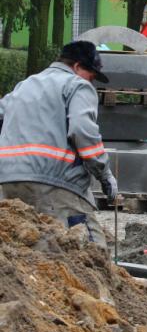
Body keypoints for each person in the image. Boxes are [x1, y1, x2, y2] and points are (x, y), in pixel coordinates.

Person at [0, 41, 118, 249]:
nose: (91, 82)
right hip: (55, 181)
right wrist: (105, 175)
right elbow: (82, 131)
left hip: (8, 179)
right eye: (91, 76)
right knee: (91, 251)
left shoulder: (25, 85)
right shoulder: (77, 85)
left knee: (29, 250)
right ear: (77, 66)